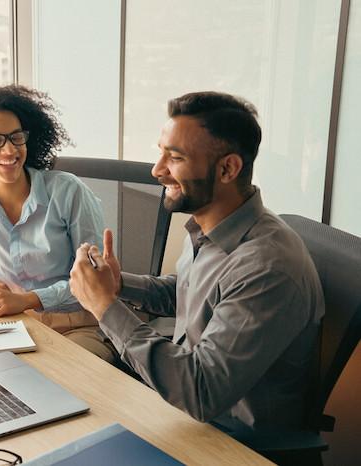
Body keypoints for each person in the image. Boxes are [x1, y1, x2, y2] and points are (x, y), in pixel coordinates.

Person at [69, 92, 325, 449]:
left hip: (230, 442)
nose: (157, 170)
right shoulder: (209, 226)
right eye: (161, 152)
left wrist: (104, 308)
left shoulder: (268, 266)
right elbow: (189, 292)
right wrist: (118, 285)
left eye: (174, 158)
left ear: (227, 169)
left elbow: (202, 391)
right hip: (179, 412)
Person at [0, 85, 118, 363]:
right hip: (13, 326)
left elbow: (97, 283)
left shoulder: (67, 192)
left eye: (16, 137)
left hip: (79, 325)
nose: (10, 149)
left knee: (61, 382)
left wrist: (28, 300)